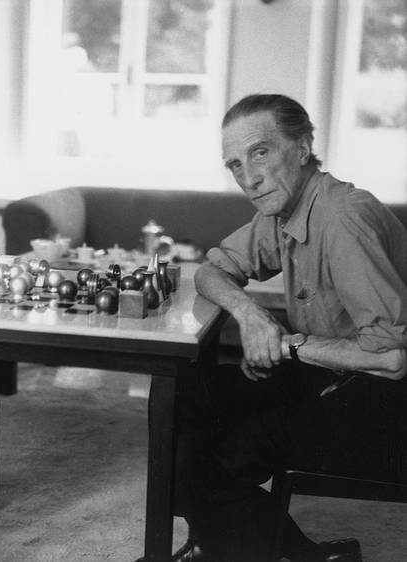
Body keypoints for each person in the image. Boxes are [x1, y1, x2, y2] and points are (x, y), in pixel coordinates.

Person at [137, 94, 407, 562]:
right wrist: (252, 315)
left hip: (386, 406)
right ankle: (260, 547)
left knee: (226, 450)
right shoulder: (285, 210)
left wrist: (288, 346)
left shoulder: (343, 216)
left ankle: (274, 552)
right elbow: (211, 270)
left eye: (260, 152)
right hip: (332, 378)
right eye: (235, 165)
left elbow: (390, 356)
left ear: (302, 146)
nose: (249, 177)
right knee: (182, 398)